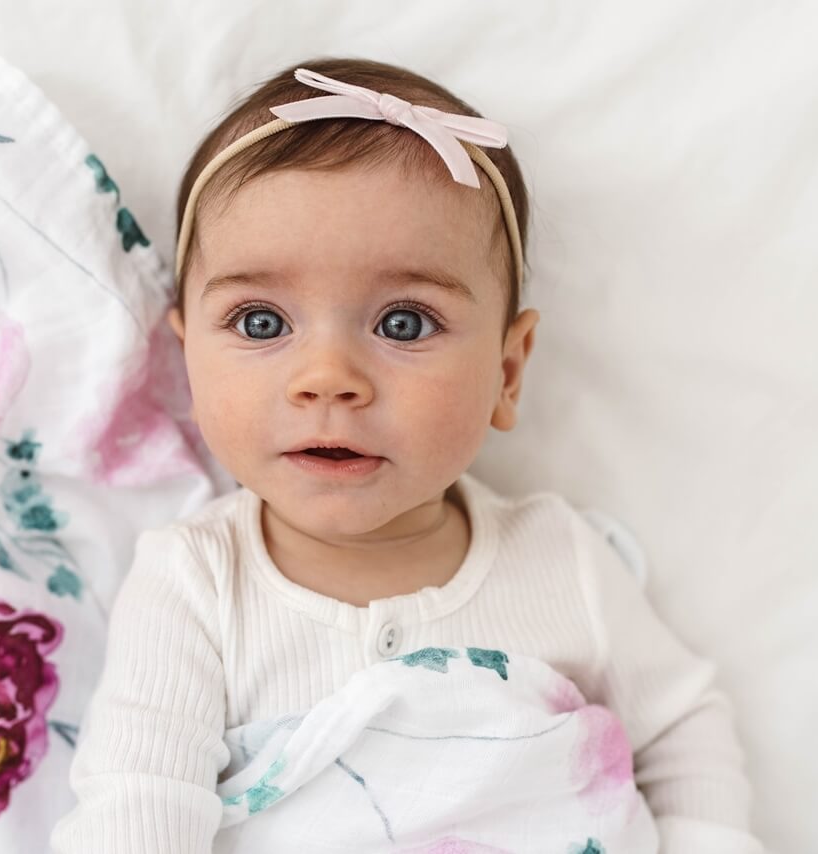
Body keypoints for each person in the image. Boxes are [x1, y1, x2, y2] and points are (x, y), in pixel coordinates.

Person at [50, 58, 763, 853]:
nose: (329, 379)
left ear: (506, 370)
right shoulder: (197, 584)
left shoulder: (561, 559)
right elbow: (137, 804)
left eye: (403, 324)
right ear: (189, 363)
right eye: (259, 323)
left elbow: (683, 730)